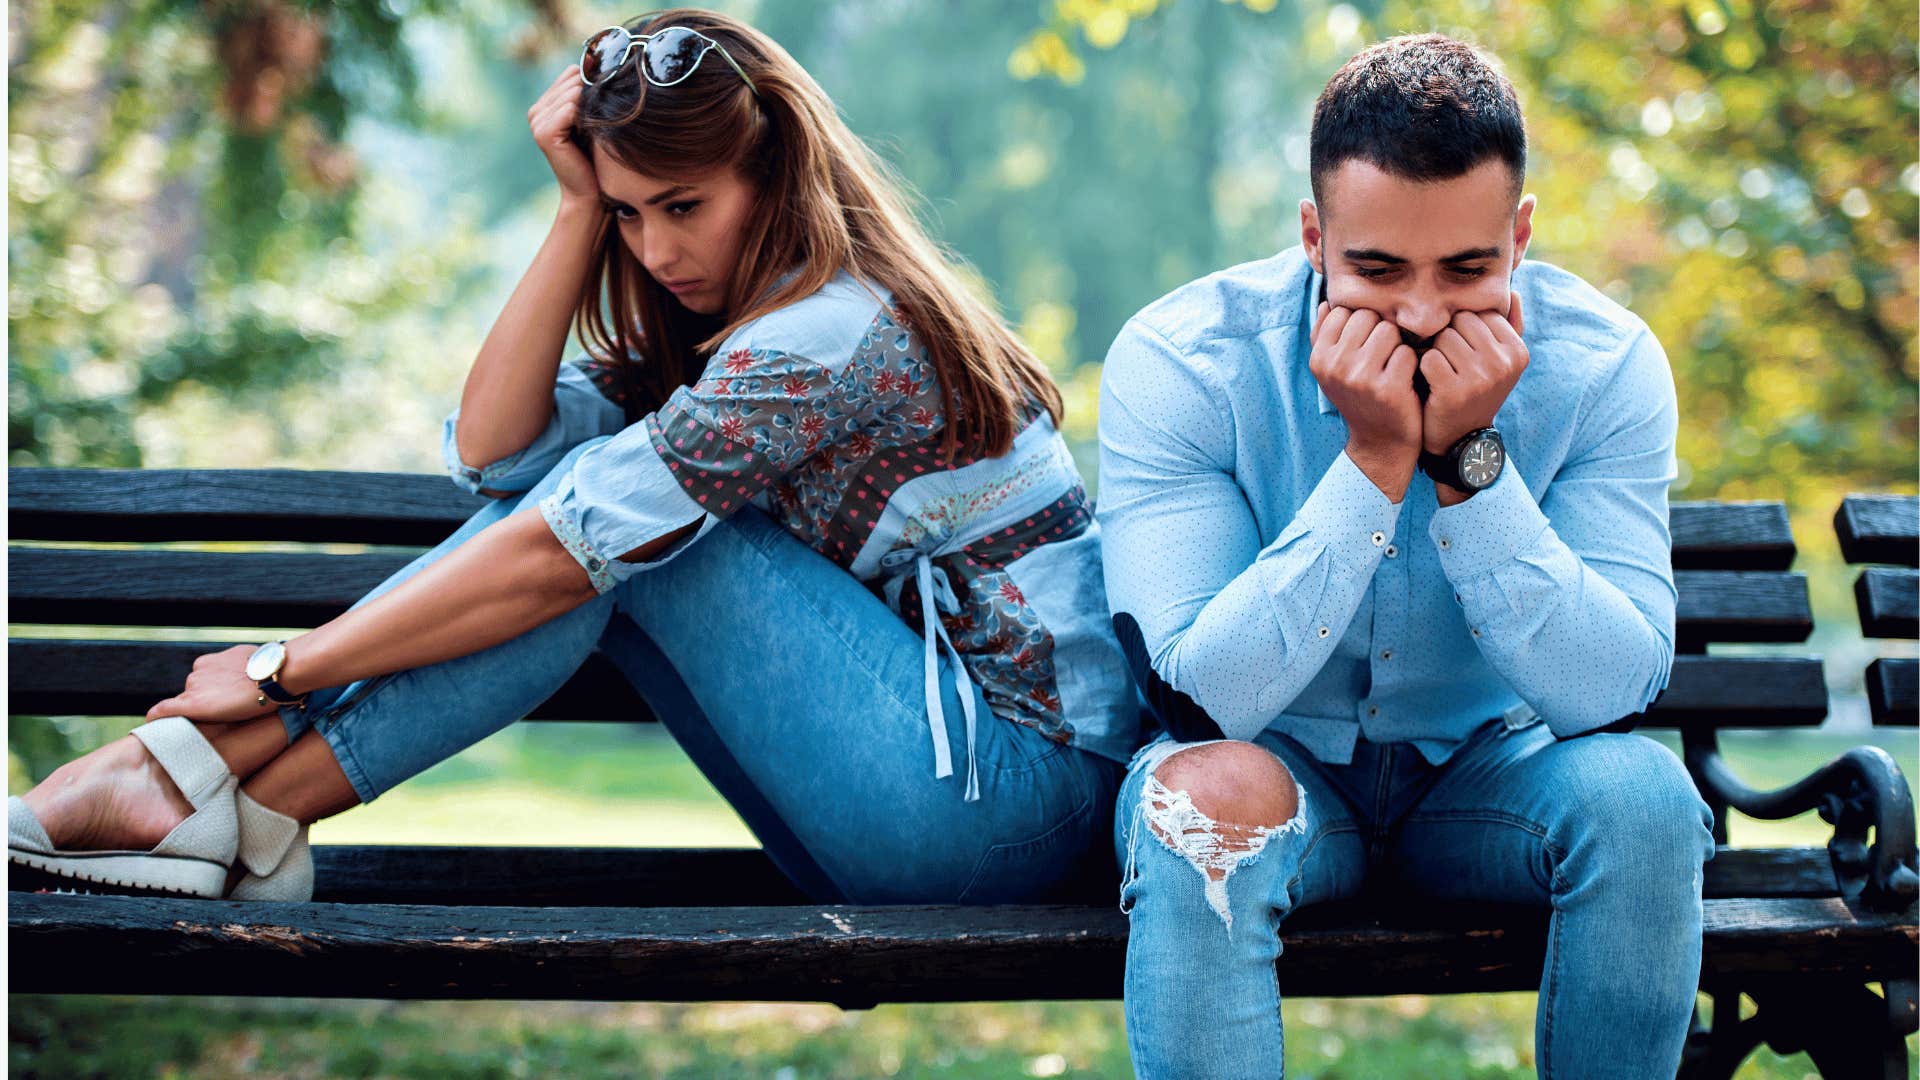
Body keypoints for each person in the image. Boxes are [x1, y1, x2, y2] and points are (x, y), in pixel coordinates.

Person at [9, 8, 1142, 907]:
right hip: (898, 808)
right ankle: (228, 811)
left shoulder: (831, 334)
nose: (655, 251)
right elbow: (497, 455)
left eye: (683, 206)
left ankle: (188, 790)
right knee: (608, 516)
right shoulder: (729, 335)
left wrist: (280, 670)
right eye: (627, 216)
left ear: (777, 171)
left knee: (636, 538)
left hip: (1016, 808)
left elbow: (562, 543)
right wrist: (570, 213)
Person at [1095, 33, 1715, 1079]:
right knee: (1196, 797)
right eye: (1376, 270)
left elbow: (1613, 690)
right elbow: (1198, 704)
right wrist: (1377, 460)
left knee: (1648, 802)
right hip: (1281, 774)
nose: (1423, 315)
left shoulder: (1606, 365)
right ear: (1312, 237)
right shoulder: (1181, 361)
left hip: (1492, 778)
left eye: (1467, 269)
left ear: (1520, 236)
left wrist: (1469, 468)